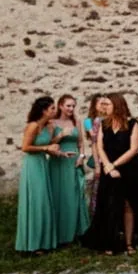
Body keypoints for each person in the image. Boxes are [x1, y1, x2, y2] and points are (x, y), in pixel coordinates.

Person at [81, 93, 138, 255]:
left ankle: (128, 243)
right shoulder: (104, 124)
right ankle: (109, 241)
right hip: (109, 168)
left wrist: (115, 165)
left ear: (117, 105)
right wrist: (107, 166)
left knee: (128, 205)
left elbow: (133, 149)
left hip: (129, 168)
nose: (104, 107)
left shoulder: (132, 123)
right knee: (110, 204)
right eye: (104, 104)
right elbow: (99, 147)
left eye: (108, 104)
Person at [15, 96, 61, 253]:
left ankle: (44, 241)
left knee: (44, 201)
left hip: (42, 163)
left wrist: (58, 150)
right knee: (36, 200)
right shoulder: (33, 126)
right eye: (52, 108)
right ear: (44, 111)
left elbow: (49, 145)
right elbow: (25, 147)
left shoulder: (48, 126)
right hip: (33, 165)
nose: (55, 111)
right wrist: (45, 149)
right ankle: (32, 243)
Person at [49, 94, 90, 245]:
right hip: (58, 161)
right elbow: (49, 143)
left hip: (74, 161)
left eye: (73, 106)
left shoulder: (76, 121)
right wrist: (60, 135)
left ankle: (77, 232)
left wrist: (82, 156)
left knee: (74, 195)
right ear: (60, 105)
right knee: (60, 195)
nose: (71, 109)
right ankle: (60, 234)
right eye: (68, 106)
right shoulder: (52, 122)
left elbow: (80, 142)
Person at [83, 94, 111, 217]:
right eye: (101, 104)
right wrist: (97, 164)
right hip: (100, 157)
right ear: (95, 105)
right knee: (99, 188)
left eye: (106, 104)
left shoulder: (110, 119)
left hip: (112, 155)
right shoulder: (92, 121)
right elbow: (94, 143)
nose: (104, 106)